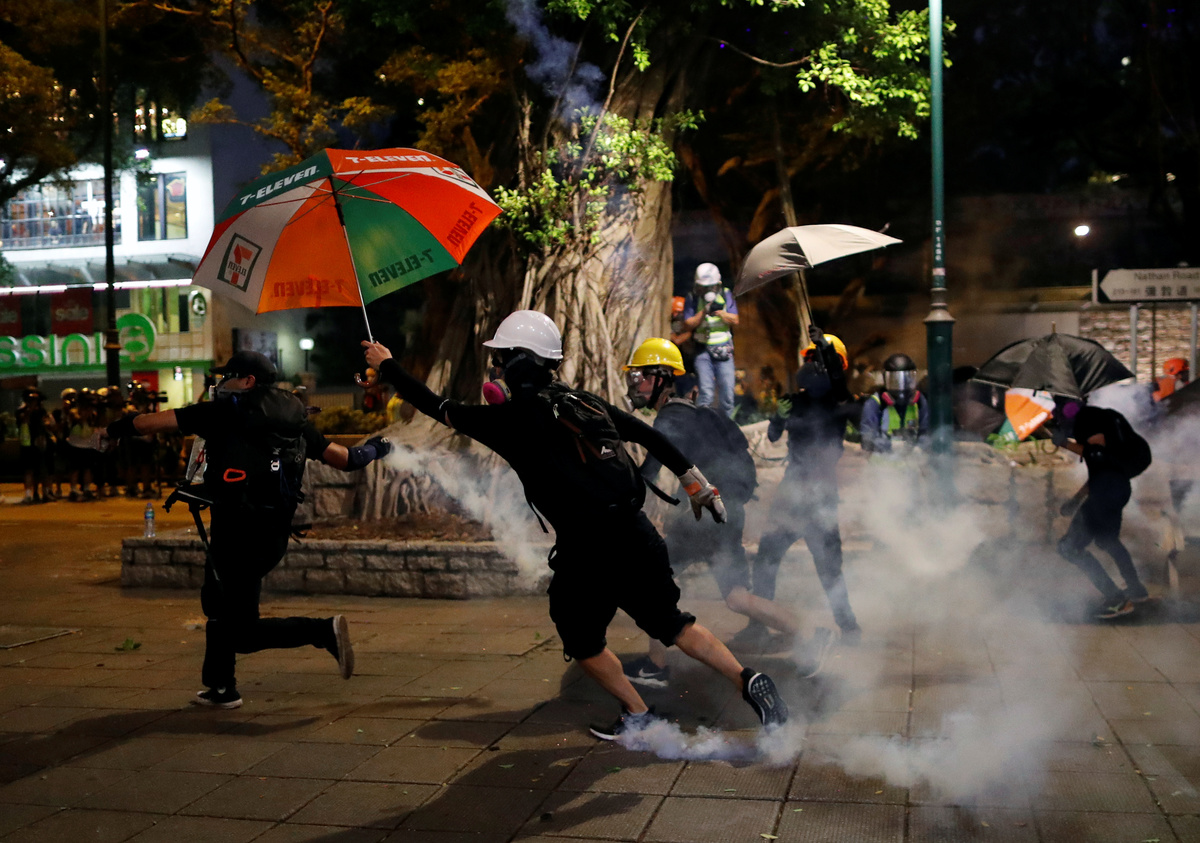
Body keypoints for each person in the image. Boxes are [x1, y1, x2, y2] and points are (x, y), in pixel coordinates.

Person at [363, 311, 788, 739]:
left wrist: (388, 365)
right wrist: (696, 484)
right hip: (636, 532)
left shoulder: (508, 420)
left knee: (579, 636)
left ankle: (638, 713)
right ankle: (747, 679)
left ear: (518, 361)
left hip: (585, 549)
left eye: (500, 359)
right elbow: (648, 436)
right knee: (675, 624)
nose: (495, 369)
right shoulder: (584, 402)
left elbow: (434, 405)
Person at [105, 350, 393, 709]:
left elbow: (149, 423)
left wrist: (112, 431)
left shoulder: (223, 412)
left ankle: (323, 631)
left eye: (229, 376)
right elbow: (348, 459)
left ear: (248, 381)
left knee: (241, 631)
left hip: (237, 533)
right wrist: (378, 447)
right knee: (219, 603)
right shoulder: (294, 419)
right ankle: (221, 687)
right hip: (271, 532)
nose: (222, 383)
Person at [620, 338, 831, 686]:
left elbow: (646, 477)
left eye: (640, 377)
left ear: (661, 378)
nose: (636, 385)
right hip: (724, 514)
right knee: (736, 597)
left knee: (651, 583)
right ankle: (811, 633)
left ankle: (656, 666)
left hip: (702, 520)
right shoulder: (696, 413)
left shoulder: (671, 419)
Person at [753, 327, 862, 643]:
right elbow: (773, 436)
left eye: (821, 361)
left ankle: (849, 626)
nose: (814, 366)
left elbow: (840, 388)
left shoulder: (840, 402)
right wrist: (778, 417)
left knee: (830, 568)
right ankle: (757, 623)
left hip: (821, 494)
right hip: (792, 492)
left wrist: (823, 344)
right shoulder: (794, 401)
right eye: (811, 359)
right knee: (766, 558)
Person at [1054, 402, 1154, 619]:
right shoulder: (1098, 419)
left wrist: (1064, 443)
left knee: (1069, 547)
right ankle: (1136, 590)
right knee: (1107, 540)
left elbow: (1097, 455)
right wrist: (1076, 499)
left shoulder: (1089, 420)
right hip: (1114, 489)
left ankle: (1116, 599)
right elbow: (1100, 469)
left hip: (1106, 493)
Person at [681, 263, 739, 417]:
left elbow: (735, 319)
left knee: (727, 393)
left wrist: (720, 312)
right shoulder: (692, 298)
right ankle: (703, 425)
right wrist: (704, 311)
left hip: (724, 349)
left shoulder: (726, 294)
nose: (707, 290)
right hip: (702, 350)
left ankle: (726, 426)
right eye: (703, 287)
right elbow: (688, 324)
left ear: (718, 284)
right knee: (706, 392)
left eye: (710, 286)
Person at [859, 353, 930, 454]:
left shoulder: (919, 402)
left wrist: (919, 447)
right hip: (882, 462)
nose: (902, 386)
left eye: (907, 378)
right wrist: (889, 446)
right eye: (895, 380)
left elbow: (926, 431)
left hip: (912, 462)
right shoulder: (875, 403)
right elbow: (867, 440)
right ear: (885, 379)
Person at [16, 388, 52, 504]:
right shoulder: (22, 410)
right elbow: (23, 420)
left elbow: (46, 424)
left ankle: (44, 492)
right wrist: (30, 408)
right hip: (27, 444)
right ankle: (28, 495)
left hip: (40, 442)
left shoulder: (41, 411)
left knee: (43, 469)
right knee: (29, 470)